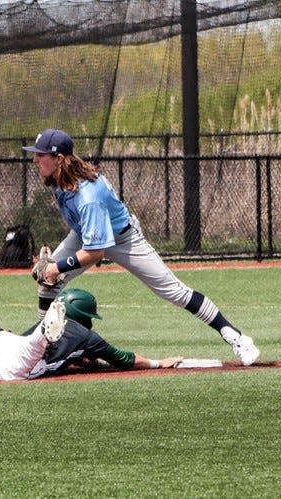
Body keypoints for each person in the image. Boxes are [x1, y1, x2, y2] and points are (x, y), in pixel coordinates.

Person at [22, 128, 260, 366]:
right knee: (47, 284)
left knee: (173, 291)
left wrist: (58, 266)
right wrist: (53, 269)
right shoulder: (57, 179)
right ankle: (40, 348)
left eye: (41, 154)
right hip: (85, 234)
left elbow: (95, 252)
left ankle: (236, 336)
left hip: (124, 239)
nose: (35, 159)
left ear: (59, 158)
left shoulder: (88, 197)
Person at [0, 288, 183, 382]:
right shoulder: (87, 335)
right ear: (83, 315)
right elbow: (123, 359)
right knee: (19, 370)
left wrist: (86, 362)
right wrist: (158, 363)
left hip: (2, 341)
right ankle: (46, 334)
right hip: (25, 355)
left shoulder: (80, 339)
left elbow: (78, 358)